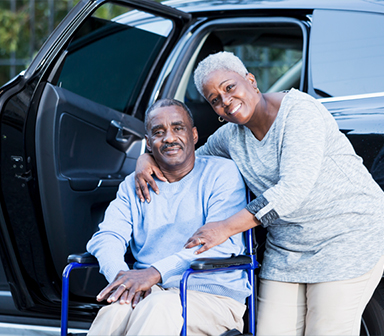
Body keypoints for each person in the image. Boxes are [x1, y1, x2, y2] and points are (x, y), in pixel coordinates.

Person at [134, 51, 384, 336]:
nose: (225, 101)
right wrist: (148, 159)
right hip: (288, 247)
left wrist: (225, 228)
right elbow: (190, 163)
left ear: (250, 81)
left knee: (326, 330)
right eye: (215, 100)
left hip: (346, 235)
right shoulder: (230, 136)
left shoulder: (299, 112)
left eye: (229, 87)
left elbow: (291, 192)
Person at [86, 98, 251, 336]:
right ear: (149, 144)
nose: (170, 138)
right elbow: (107, 237)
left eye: (177, 128)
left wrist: (154, 273)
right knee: (116, 311)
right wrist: (123, 281)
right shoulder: (132, 186)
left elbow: (218, 245)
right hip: (153, 291)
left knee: (157, 307)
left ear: (194, 135)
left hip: (212, 297)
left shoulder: (222, 174)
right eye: (159, 132)